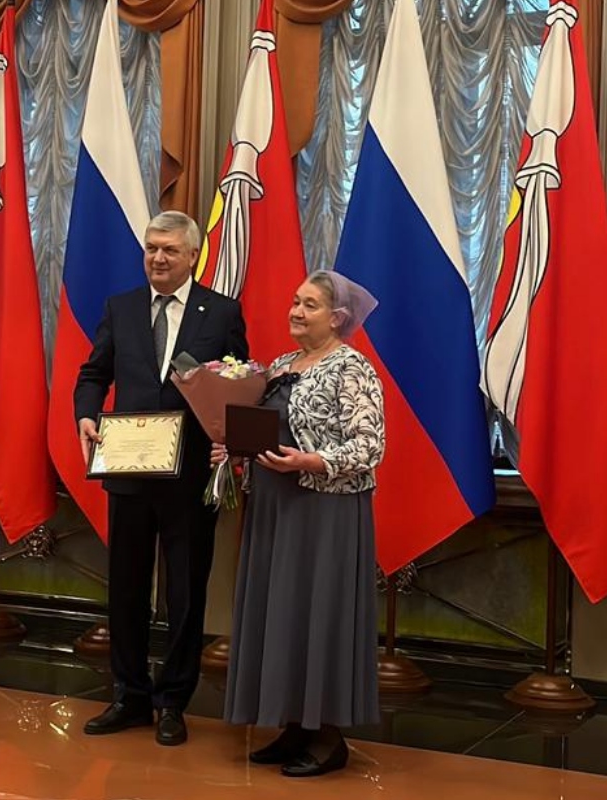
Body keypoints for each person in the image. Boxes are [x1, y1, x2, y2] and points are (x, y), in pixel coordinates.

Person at [75, 210, 249, 746]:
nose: (157, 258)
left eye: (169, 250)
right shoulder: (121, 307)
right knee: (126, 589)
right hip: (128, 469)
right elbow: (93, 373)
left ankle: (173, 700)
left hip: (190, 477)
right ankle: (129, 695)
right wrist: (86, 415)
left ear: (192, 255)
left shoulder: (222, 312)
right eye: (151, 248)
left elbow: (240, 383)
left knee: (185, 592)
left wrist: (231, 441)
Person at [213, 269, 384, 777]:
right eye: (294, 301)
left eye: (309, 305)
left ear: (337, 318)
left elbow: (370, 446)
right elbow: (264, 431)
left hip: (324, 512)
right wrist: (234, 450)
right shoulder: (281, 365)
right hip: (273, 507)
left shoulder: (353, 368)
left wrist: (312, 461)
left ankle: (327, 737)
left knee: (319, 612)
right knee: (282, 612)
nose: (296, 311)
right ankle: (294, 725)